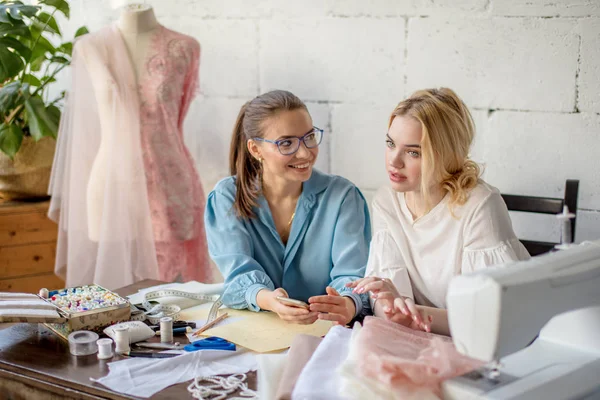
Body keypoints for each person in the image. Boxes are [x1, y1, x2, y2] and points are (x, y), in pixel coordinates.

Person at [347, 88, 530, 335]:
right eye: (391, 144)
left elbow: (493, 317)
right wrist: (391, 308)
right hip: (419, 336)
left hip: (483, 340)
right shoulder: (386, 200)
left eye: (413, 152)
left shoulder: (480, 205)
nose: (394, 161)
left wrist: (416, 316)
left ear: (445, 155)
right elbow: (390, 306)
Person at [205, 90, 371, 325]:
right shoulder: (226, 197)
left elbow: (353, 276)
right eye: (286, 143)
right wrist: (269, 300)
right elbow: (237, 275)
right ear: (255, 149)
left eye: (309, 137)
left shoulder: (343, 197)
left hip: (325, 329)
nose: (305, 153)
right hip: (257, 329)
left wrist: (347, 303)